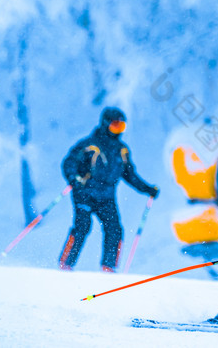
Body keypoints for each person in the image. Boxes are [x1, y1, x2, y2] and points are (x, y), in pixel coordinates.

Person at [58, 107, 159, 272]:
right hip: (84, 193)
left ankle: (109, 267)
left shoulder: (122, 150)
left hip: (106, 197)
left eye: (121, 127)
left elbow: (130, 175)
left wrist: (147, 189)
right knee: (83, 226)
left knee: (114, 229)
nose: (118, 130)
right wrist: (73, 178)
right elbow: (69, 163)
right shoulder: (89, 145)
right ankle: (66, 263)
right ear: (105, 124)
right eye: (115, 126)